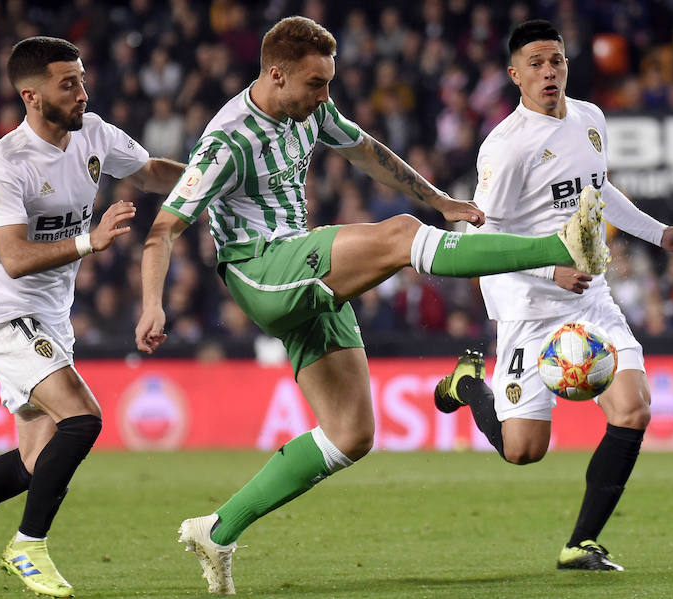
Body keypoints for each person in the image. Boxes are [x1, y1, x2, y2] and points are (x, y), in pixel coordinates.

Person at [135, 16, 611, 594]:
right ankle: (560, 244)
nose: (325, 96)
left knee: (351, 434)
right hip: (261, 271)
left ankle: (218, 529)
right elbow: (163, 230)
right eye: (315, 84)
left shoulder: (311, 111)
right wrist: (152, 305)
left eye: (329, 82)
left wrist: (438, 199)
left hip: (305, 277)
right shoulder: (228, 140)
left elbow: (365, 151)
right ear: (276, 75)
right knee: (398, 237)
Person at [0, 36, 184, 598]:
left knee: (34, 462)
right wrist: (90, 242)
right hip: (8, 313)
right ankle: (28, 547)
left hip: (50, 319)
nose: (82, 92)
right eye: (68, 83)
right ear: (31, 95)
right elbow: (14, 257)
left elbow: (149, 171)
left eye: (81, 78)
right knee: (83, 418)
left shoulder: (94, 133)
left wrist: (211, 180)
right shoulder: (3, 164)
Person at [433, 20, 673, 572]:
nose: (549, 72)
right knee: (524, 450)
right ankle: (469, 384)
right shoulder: (505, 147)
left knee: (634, 410)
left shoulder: (590, 119)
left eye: (557, 61)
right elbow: (480, 238)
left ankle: (581, 543)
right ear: (514, 75)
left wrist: (662, 234)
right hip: (529, 301)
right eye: (537, 63)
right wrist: (549, 272)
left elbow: (599, 189)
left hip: (590, 297)